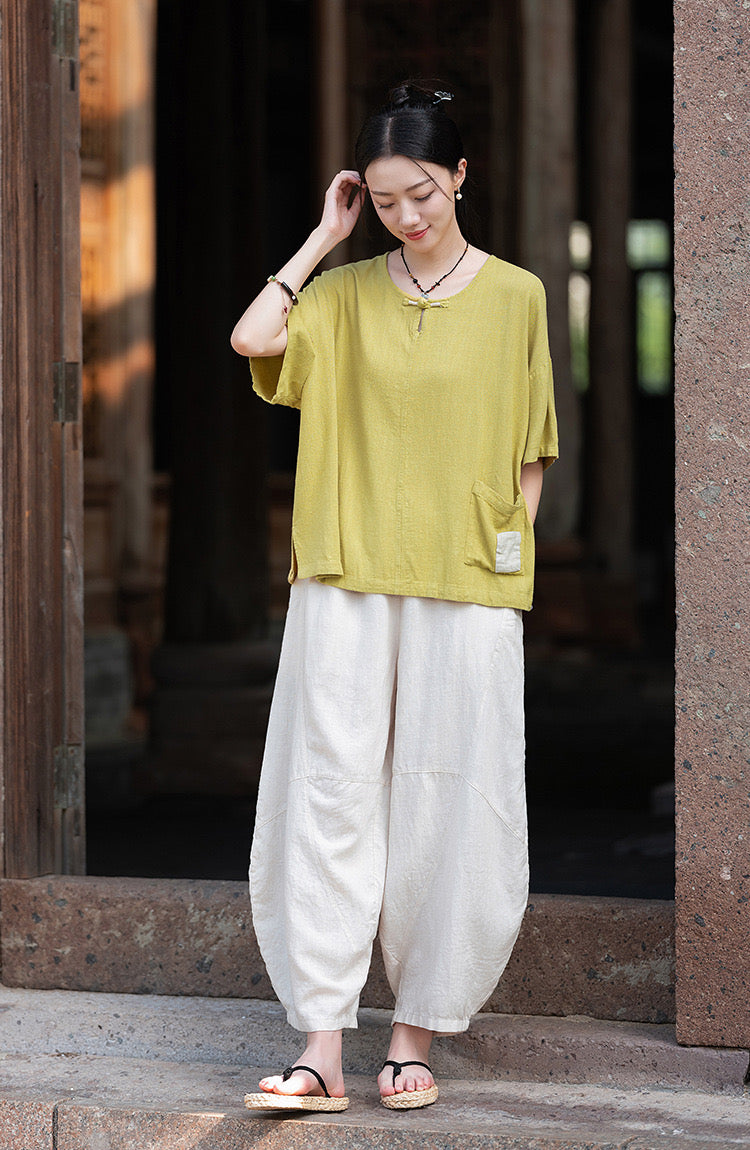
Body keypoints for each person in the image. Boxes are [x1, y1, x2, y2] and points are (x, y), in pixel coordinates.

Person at [231, 81, 558, 1114]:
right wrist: (320, 240)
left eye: (421, 193)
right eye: (382, 200)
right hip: (344, 573)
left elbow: (532, 448)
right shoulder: (338, 295)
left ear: (460, 175)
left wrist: (504, 560)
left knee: (450, 794)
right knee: (327, 790)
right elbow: (252, 340)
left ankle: (413, 1032)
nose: (406, 215)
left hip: (466, 581)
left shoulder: (518, 297)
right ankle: (322, 1045)